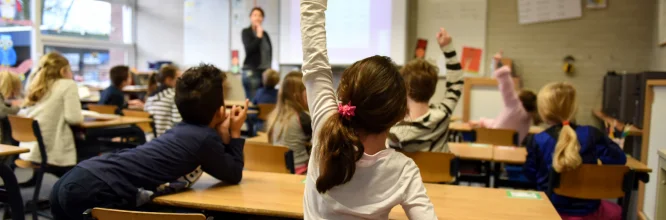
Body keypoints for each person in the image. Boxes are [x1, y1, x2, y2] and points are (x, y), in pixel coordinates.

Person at [50, 64, 248, 220]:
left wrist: (222, 132)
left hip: (77, 177)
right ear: (220, 111)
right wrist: (235, 132)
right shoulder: (205, 138)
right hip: (96, 190)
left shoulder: (179, 131)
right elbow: (233, 173)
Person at [300, 1, 437, 218]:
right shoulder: (403, 171)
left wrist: (313, 4)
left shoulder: (324, 132)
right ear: (401, 114)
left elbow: (314, 60)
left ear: (344, 97)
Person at [524, 82, 626, 220]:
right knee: (615, 209)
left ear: (543, 110)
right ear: (573, 108)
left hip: (551, 212)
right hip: (590, 213)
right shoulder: (592, 134)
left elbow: (530, 175)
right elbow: (619, 160)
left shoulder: (537, 140)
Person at [388, 34, 464, 153]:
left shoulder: (394, 132)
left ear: (405, 89)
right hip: (439, 171)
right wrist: (448, 47)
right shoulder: (442, 116)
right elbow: (456, 83)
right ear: (432, 88)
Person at [18, 52, 83, 175]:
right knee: (91, 146)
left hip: (33, 147)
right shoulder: (68, 84)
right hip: (53, 149)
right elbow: (74, 118)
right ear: (64, 70)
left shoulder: (35, 83)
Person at [472, 52, 539, 144]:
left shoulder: (515, 106)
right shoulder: (527, 117)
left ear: (520, 100)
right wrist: (482, 122)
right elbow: (499, 125)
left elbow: (506, 84)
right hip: (513, 152)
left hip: (495, 146)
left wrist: (499, 63)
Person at [267, 71, 311, 174]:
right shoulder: (302, 117)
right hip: (300, 172)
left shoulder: (274, 116)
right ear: (298, 95)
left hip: (279, 170)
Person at [241, 7, 273, 100]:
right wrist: (258, 36)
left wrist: (269, 66)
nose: (257, 18)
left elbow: (269, 51)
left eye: (260, 15)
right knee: (253, 103)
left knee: (263, 102)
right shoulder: (246, 32)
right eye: (255, 15)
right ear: (250, 17)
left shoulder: (265, 34)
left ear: (262, 18)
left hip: (265, 73)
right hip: (252, 72)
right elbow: (249, 49)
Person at [144, 65, 182, 136]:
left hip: (151, 141)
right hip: (167, 141)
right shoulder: (174, 96)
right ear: (169, 80)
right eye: (179, 79)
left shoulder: (150, 97)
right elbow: (178, 124)